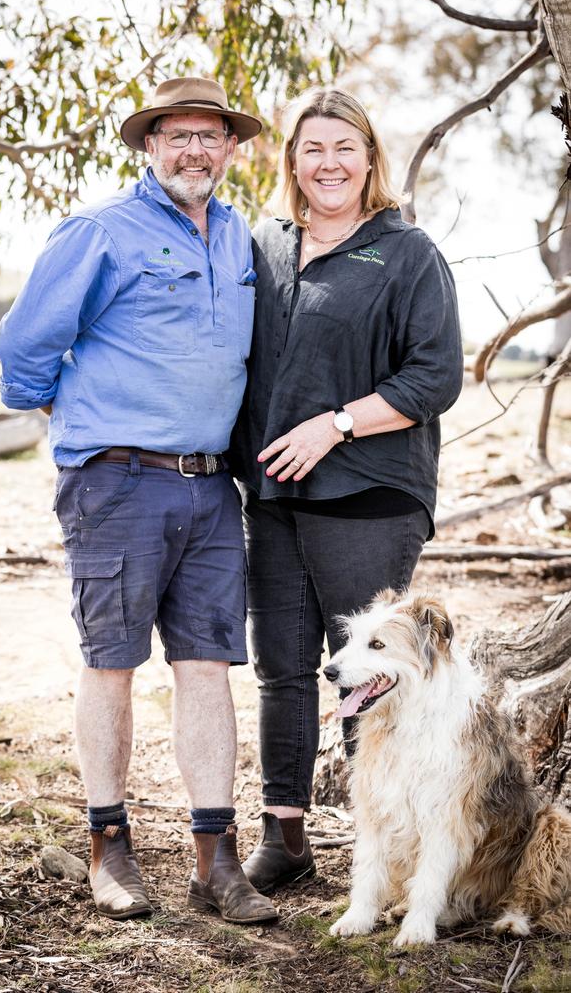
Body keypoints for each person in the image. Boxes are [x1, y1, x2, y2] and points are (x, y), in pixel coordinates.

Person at [0, 77, 278, 925]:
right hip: (116, 482)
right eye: (178, 135)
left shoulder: (237, 236)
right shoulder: (100, 231)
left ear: (231, 148)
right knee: (111, 663)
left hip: (211, 487)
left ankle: (216, 861)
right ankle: (109, 845)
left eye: (211, 135)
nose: (195, 149)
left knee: (209, 668)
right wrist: (85, 421)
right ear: (149, 146)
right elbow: (22, 353)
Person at [229, 86, 463, 893]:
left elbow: (435, 376)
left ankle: (385, 850)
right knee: (281, 671)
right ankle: (285, 837)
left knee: (372, 676)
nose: (328, 164)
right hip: (273, 499)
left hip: (369, 496)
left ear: (370, 160)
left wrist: (337, 424)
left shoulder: (406, 253)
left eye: (344, 148)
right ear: (292, 161)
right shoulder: (259, 244)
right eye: (313, 149)